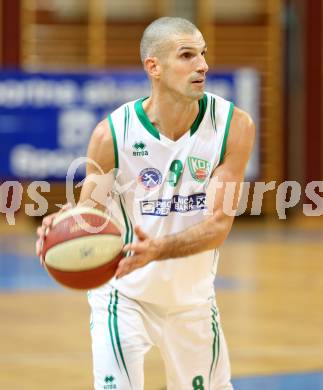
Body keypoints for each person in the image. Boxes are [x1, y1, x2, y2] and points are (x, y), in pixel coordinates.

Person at [36, 16, 255, 390]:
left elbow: (219, 226)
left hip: (192, 302)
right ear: (153, 67)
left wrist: (158, 250)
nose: (202, 65)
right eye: (187, 55)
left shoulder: (233, 126)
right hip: (122, 295)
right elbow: (92, 211)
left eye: (202, 54)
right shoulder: (112, 134)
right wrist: (62, 222)